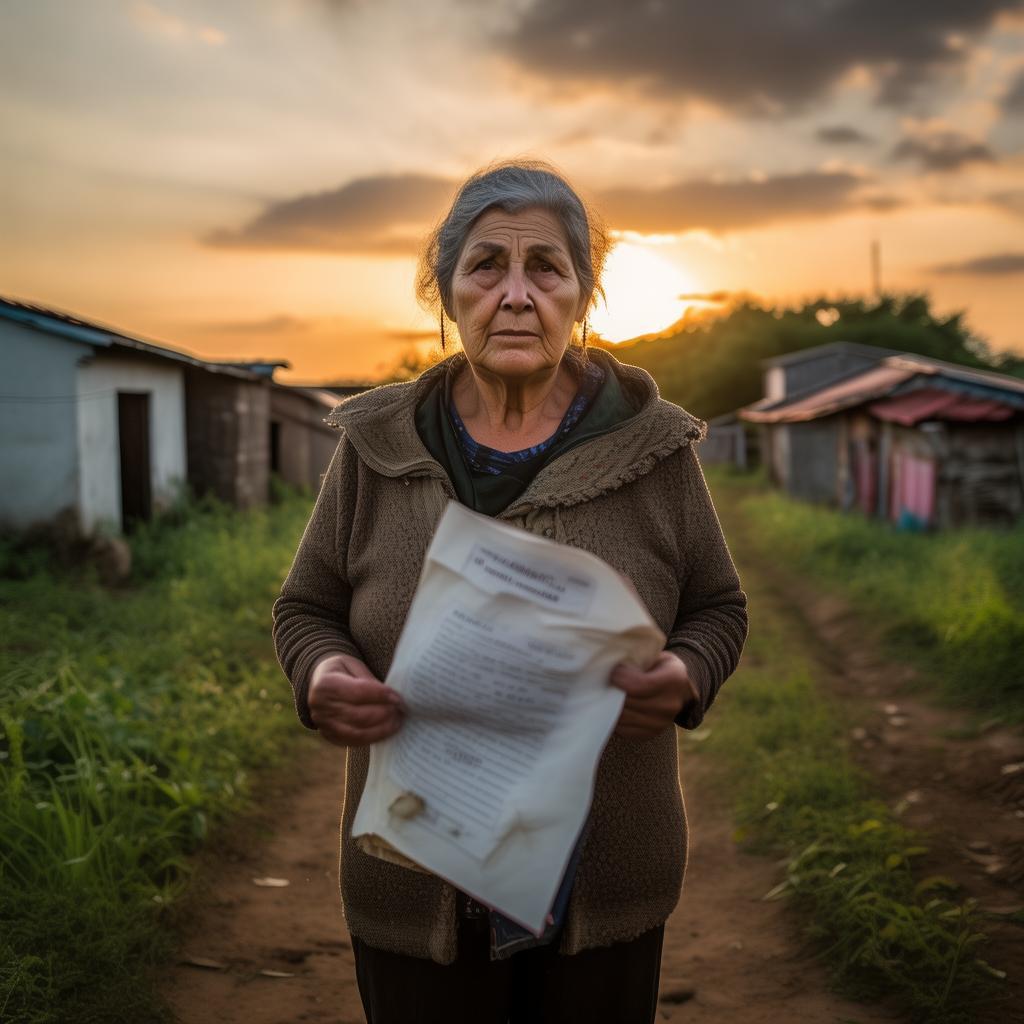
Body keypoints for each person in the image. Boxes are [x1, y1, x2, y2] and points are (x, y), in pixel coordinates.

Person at [272, 160, 748, 1024]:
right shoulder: (376, 446)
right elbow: (306, 608)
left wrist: (686, 673)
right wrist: (322, 673)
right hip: (415, 876)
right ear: (448, 294)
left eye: (547, 268)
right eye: (487, 265)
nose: (517, 295)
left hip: (599, 881)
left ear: (583, 294)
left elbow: (719, 607)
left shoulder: (653, 449)